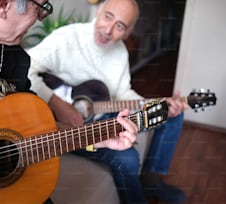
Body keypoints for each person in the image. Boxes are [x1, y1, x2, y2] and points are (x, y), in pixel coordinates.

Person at [0, 0, 139, 203]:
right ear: (3, 5)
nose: (41, 17)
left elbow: (31, 131)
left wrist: (94, 137)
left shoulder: (15, 55)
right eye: (41, 7)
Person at [27, 0, 189, 203]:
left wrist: (154, 103)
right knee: (127, 157)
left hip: (104, 112)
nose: (108, 30)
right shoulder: (67, 38)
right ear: (99, 12)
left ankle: (151, 180)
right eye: (108, 17)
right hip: (69, 126)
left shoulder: (120, 52)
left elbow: (123, 93)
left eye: (120, 26)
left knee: (171, 114)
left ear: (128, 32)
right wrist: (58, 105)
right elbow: (24, 68)